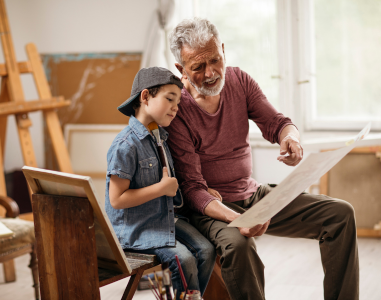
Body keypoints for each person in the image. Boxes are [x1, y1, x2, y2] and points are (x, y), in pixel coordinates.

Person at [165, 18, 359, 300]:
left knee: (340, 215)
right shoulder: (178, 109)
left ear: (222, 49)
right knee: (239, 246)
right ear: (181, 70)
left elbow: (278, 122)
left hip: (252, 194)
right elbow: (194, 191)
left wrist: (291, 139)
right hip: (212, 210)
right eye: (198, 67)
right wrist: (239, 219)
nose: (210, 73)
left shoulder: (239, 80)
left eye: (215, 60)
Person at [105, 66, 216, 299]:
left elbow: (173, 187)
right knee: (183, 259)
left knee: (206, 251)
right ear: (145, 97)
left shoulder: (160, 137)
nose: (176, 107)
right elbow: (116, 200)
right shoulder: (125, 145)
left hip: (163, 217)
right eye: (170, 99)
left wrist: (203, 191)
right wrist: (161, 189)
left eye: (178, 102)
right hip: (138, 228)